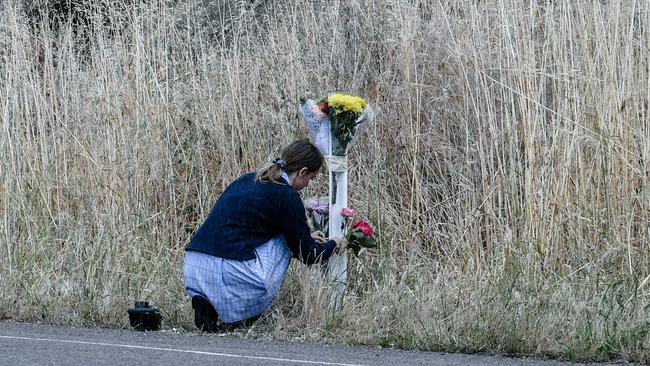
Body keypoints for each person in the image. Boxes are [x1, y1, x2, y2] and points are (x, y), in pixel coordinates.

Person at [183, 139, 345, 331]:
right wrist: (333, 243)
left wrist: (306, 236)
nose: (308, 184)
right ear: (302, 172)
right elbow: (307, 254)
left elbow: (247, 227)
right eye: (311, 178)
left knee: (282, 234)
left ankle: (208, 307)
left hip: (194, 265)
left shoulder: (248, 178)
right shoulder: (287, 195)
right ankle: (243, 315)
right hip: (227, 273)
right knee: (285, 240)